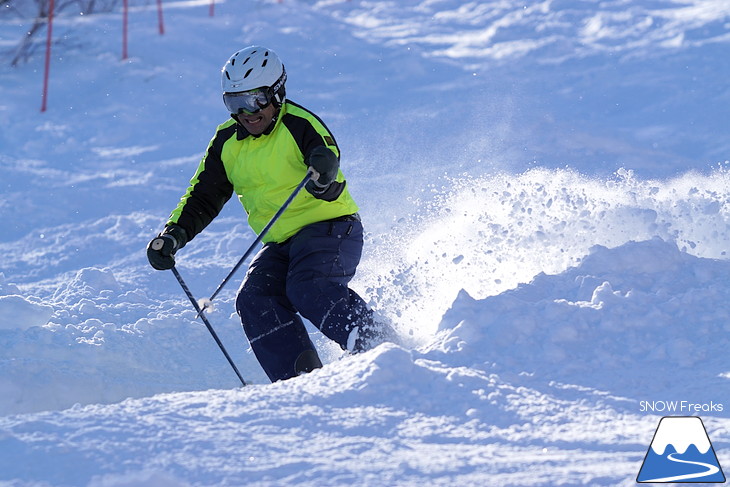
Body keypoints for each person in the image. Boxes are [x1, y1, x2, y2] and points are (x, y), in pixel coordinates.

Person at [146, 46, 396, 382]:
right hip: (281, 243)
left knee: (307, 286)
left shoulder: (298, 124)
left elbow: (326, 156)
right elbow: (202, 195)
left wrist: (322, 173)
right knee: (254, 299)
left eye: (255, 100)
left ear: (276, 93)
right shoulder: (227, 142)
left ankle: (378, 345)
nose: (247, 113)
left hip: (331, 229)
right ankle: (299, 381)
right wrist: (173, 234)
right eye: (235, 103)